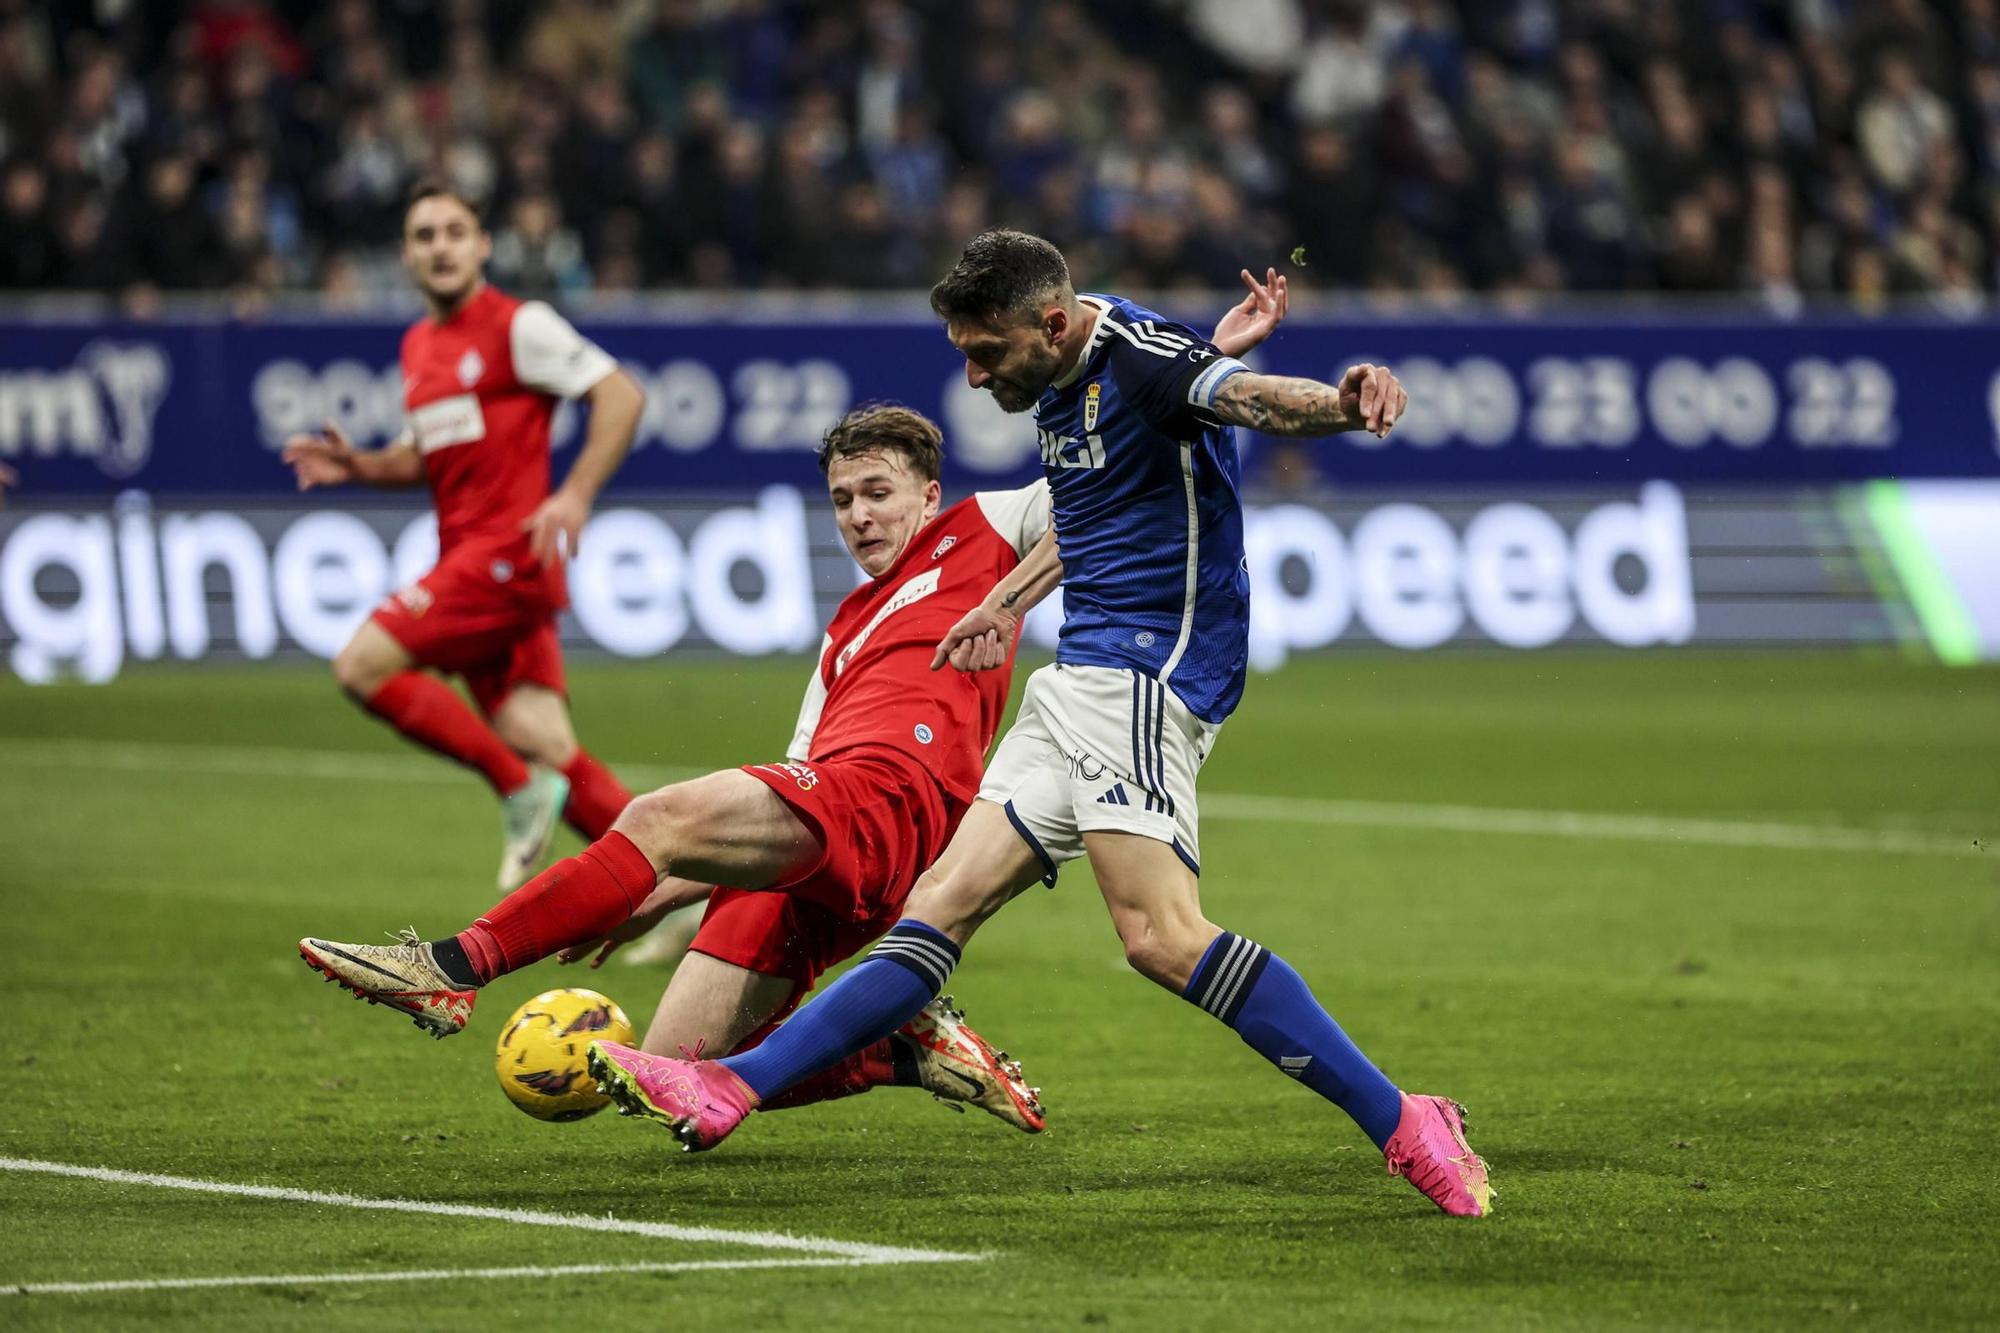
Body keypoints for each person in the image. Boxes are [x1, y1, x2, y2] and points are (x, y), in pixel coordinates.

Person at [587, 230, 1494, 1219]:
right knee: (938, 906)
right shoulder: (1068, 356)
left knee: (1160, 936)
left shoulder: (1141, 360)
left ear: (1050, 325)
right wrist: (1004, 601)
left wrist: (1343, 397)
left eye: (986, 354)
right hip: (1078, 678)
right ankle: (735, 1082)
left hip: (1145, 677)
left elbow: (1252, 401)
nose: (973, 377)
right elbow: (1094, 505)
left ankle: (1404, 1121)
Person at [297, 273, 1294, 1134]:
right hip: (829, 819)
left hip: (896, 799)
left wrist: (1200, 361)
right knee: (664, 1067)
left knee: (658, 813)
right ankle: (902, 1054)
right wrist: (652, 894)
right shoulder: (843, 635)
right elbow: (774, 805)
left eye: (876, 492)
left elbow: (1109, 485)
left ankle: (449, 965)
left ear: (926, 490)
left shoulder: (990, 522)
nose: (860, 517)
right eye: (842, 502)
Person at [282, 180, 644, 893]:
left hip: (508, 554)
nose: (440, 247)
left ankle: (515, 789)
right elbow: (426, 455)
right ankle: (685, 888)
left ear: (482, 246)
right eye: (425, 236)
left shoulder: (520, 326)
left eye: (454, 232)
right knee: (552, 748)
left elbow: (622, 395)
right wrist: (360, 465)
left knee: (361, 665)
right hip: (471, 560)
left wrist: (573, 494)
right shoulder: (419, 345)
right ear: (407, 256)